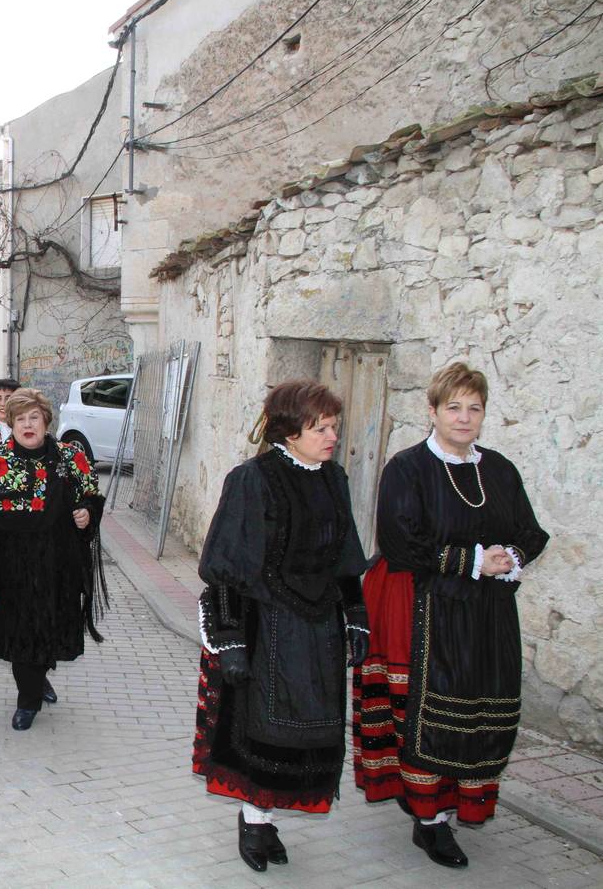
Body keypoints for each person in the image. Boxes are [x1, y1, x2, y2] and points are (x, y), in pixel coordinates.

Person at [354, 363, 549, 869]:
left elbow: (532, 531)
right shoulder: (408, 467)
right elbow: (401, 540)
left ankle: (459, 802)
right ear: (434, 411)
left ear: (484, 414)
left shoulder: (500, 470)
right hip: (430, 610)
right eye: (454, 407)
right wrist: (474, 560)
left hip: (489, 615)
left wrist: (512, 557)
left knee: (487, 710)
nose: (464, 418)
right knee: (432, 716)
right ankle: (430, 821)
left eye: (474, 408)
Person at [192, 380, 369, 872]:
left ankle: (270, 821)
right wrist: (228, 639)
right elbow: (225, 562)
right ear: (290, 431)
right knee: (261, 731)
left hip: (318, 631)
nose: (332, 436)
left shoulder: (336, 479)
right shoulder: (253, 478)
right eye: (320, 427)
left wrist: (356, 617)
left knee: (309, 733)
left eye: (334, 426)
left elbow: (346, 557)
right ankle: (254, 820)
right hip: (265, 626)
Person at [0, 388, 105, 731]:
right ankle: (27, 700)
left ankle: (38, 676)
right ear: (10, 423)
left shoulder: (70, 457)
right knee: (22, 628)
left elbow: (90, 496)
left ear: (46, 421)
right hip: (13, 562)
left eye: (34, 418)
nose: (28, 425)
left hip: (60, 560)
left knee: (51, 626)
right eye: (20, 419)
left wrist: (86, 513)